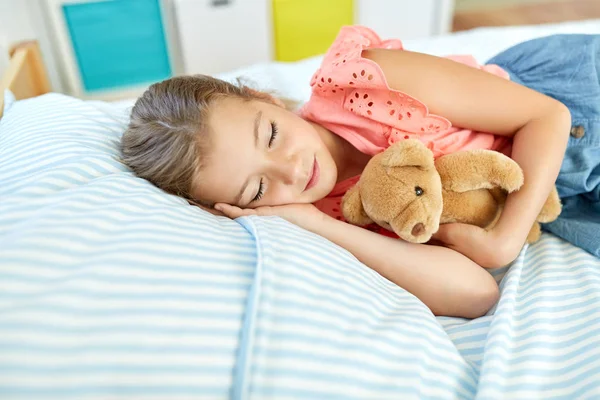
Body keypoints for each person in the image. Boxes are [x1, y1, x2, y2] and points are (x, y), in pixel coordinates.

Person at [121, 26, 600, 318]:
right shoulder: (331, 214)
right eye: (258, 188)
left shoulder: (365, 83)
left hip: (571, 105)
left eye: (270, 135)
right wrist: (318, 226)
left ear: (265, 99)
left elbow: (547, 117)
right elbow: (475, 294)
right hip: (565, 198)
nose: (290, 170)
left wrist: (504, 241)